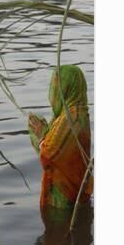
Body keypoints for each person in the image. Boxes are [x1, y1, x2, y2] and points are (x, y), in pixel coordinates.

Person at [28, 64, 93, 210]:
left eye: (56, 86)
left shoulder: (71, 118)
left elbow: (49, 154)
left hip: (63, 201)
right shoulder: (80, 112)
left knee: (57, 231)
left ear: (64, 88)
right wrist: (46, 132)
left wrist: (40, 135)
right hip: (77, 194)